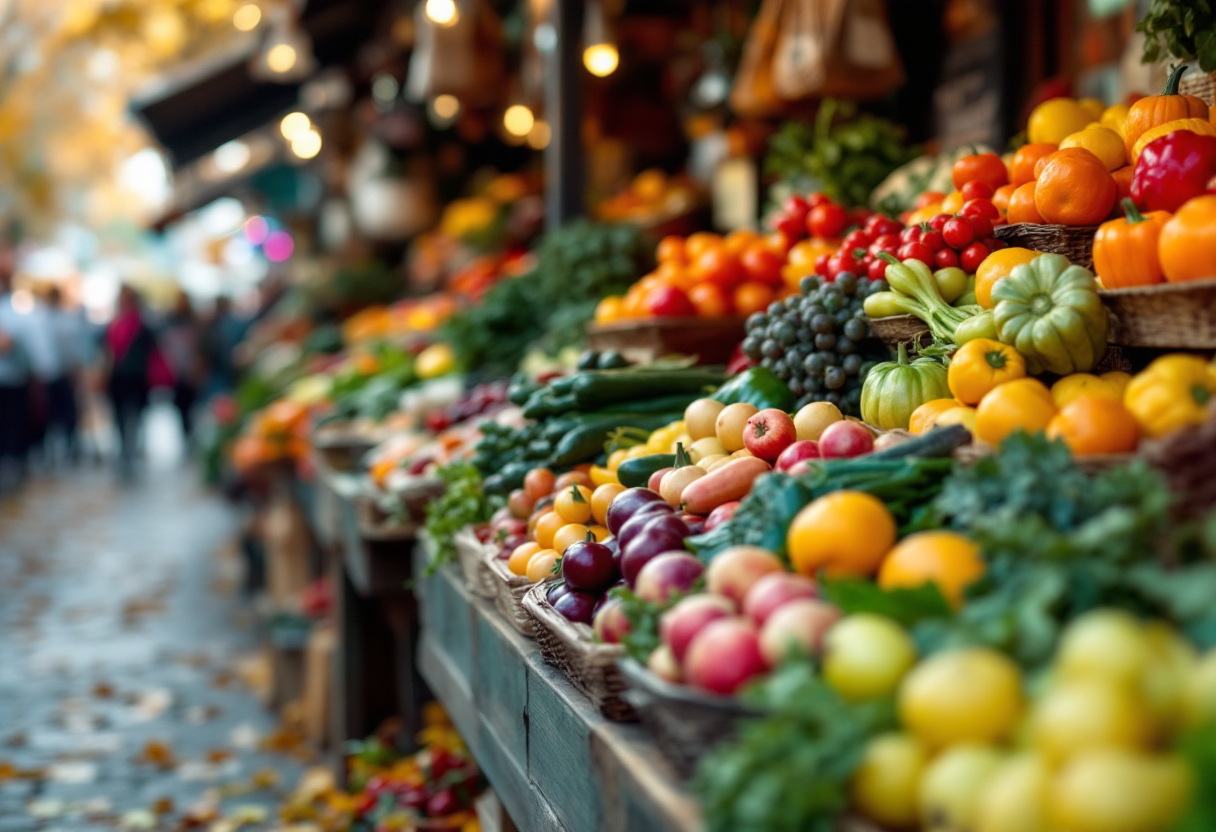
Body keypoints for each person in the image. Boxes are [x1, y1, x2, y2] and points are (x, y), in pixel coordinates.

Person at [103, 286, 173, 476]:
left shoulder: (132, 325)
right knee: (126, 417)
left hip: (133, 379)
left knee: (131, 416)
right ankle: (128, 451)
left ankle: (129, 451)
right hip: (124, 379)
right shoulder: (122, 324)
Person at [45, 287, 86, 461]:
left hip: (51, 374)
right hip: (63, 373)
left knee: (56, 412)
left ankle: (59, 448)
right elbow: (75, 352)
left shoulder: (43, 321)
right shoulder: (67, 321)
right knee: (67, 411)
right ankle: (69, 446)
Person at [0, 250, 30, 489]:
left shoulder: (14, 312)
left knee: (11, 424)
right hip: (11, 378)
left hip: (11, 379)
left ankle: (11, 465)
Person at [159, 292, 203, 445]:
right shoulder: (171, 321)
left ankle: (191, 436)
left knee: (191, 405)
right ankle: (186, 436)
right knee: (181, 406)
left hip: (191, 371)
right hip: (175, 371)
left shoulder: (195, 322)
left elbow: (201, 347)